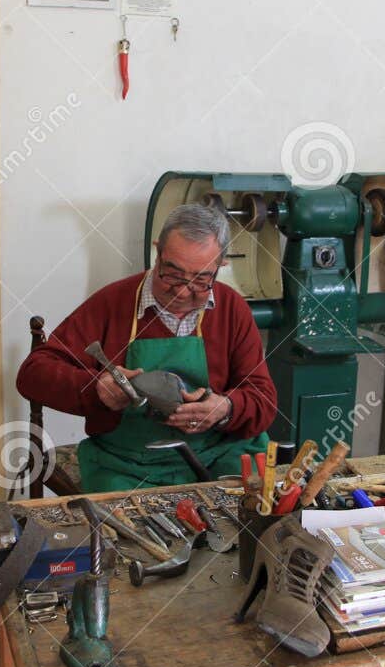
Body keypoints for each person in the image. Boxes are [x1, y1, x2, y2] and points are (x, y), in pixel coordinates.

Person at [16, 204, 275, 491]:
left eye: (201, 280)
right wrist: (96, 388)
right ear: (157, 252)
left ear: (221, 267)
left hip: (218, 452)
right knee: (123, 531)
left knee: (253, 516)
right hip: (127, 463)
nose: (182, 291)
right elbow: (33, 373)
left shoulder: (231, 307)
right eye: (172, 274)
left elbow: (264, 399)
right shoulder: (113, 303)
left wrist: (226, 409)